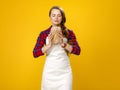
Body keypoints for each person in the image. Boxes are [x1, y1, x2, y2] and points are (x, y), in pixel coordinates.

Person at [33, 6, 81, 90]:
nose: (56, 18)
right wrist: (48, 46)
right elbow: (35, 53)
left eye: (59, 15)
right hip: (49, 73)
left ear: (62, 17)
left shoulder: (69, 33)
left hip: (65, 73)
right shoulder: (44, 34)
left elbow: (77, 51)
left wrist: (64, 44)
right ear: (50, 17)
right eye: (53, 15)